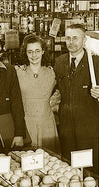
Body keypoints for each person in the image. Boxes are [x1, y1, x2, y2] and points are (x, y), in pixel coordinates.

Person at [54, 24, 99, 174]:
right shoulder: (60, 62)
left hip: (89, 127)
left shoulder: (96, 62)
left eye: (75, 38)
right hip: (66, 126)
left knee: (90, 171)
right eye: (68, 38)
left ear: (84, 40)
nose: (71, 42)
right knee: (69, 169)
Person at [15, 34, 60, 153]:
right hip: (26, 124)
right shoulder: (18, 73)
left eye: (37, 51)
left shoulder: (52, 73)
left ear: (43, 51)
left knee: (51, 164)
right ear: (25, 53)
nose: (34, 55)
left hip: (47, 124)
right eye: (30, 52)